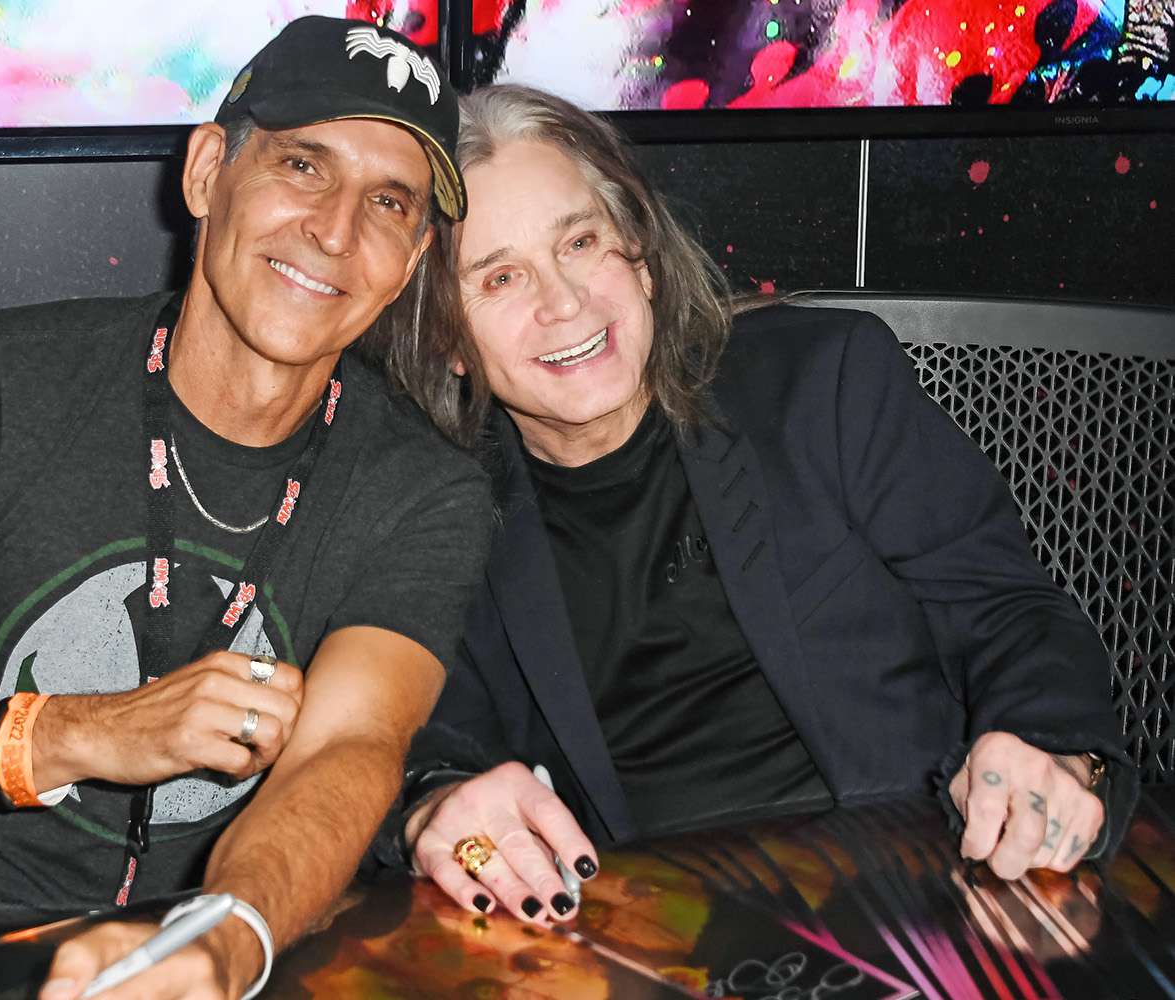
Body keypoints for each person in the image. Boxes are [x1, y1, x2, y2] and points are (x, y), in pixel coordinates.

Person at [0, 17, 491, 999]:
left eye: (388, 203)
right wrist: (81, 732)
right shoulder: (0, 384)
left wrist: (225, 938)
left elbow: (348, 751)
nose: (335, 230)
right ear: (208, 172)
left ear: (412, 259)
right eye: (302, 165)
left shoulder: (424, 486)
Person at [363, 84, 1136, 926]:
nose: (564, 302)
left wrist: (1055, 753)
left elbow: (1007, 611)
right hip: (640, 941)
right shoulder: (430, 502)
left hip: (921, 897)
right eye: (500, 277)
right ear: (447, 338)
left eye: (580, 242)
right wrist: (435, 808)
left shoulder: (825, 383)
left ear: (643, 262)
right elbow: (417, 739)